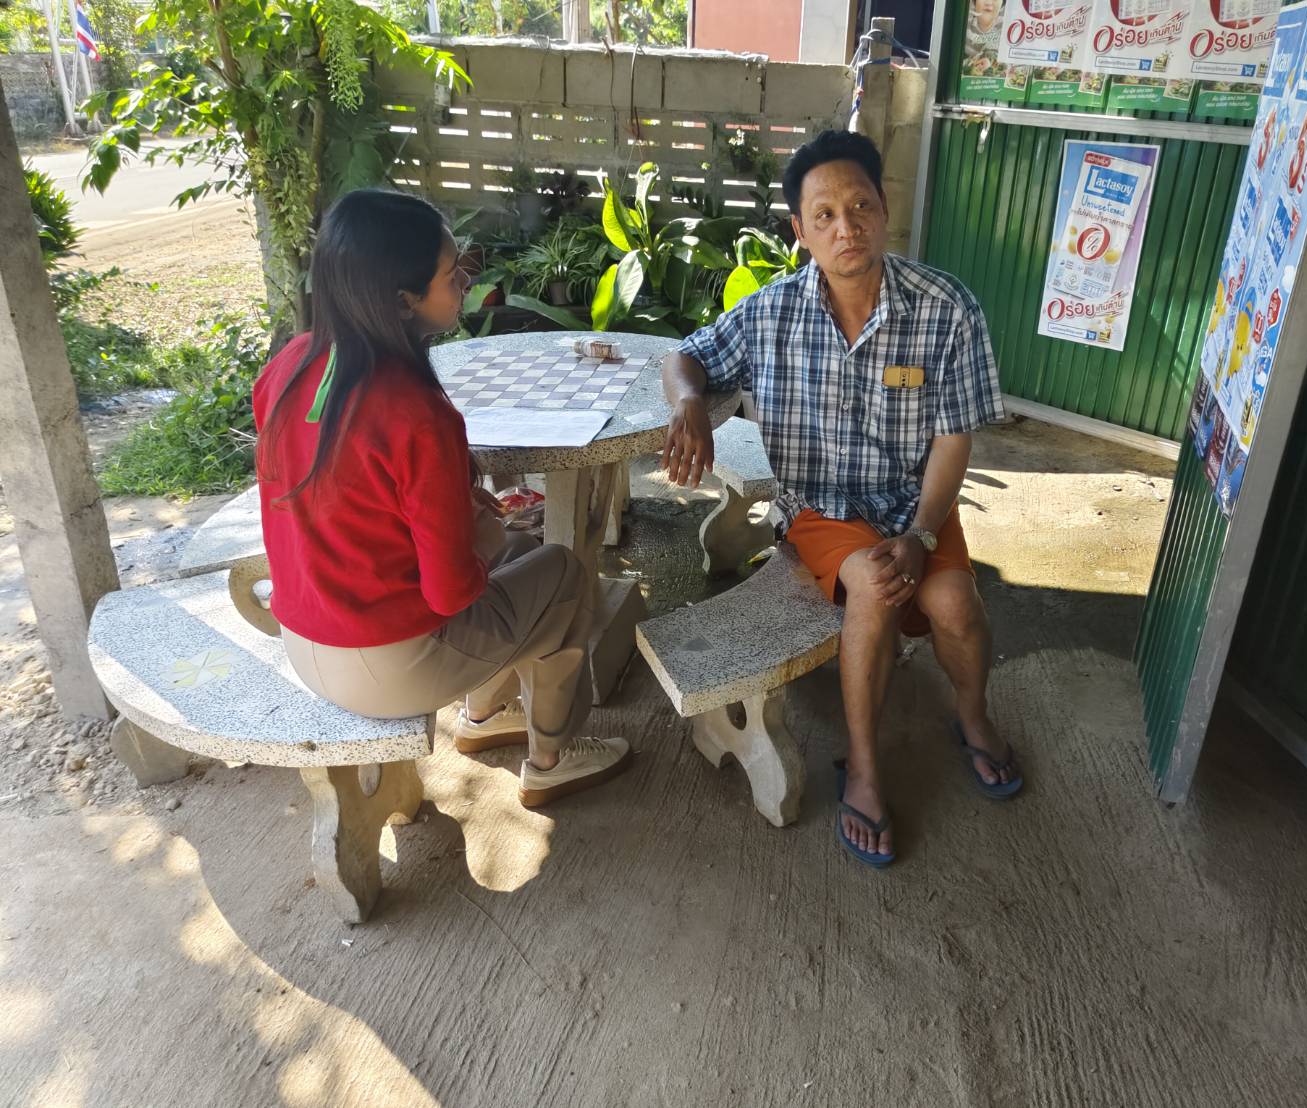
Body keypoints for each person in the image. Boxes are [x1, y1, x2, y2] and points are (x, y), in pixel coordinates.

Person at [660, 130, 1022, 867]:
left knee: (955, 603)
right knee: (873, 587)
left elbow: (953, 440)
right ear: (800, 231)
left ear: (884, 209)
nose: (845, 227)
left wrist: (923, 534)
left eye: (859, 206)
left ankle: (973, 716)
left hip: (915, 503)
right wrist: (688, 403)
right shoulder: (770, 314)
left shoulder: (947, 307)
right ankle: (862, 765)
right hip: (821, 508)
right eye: (823, 215)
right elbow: (684, 357)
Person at [254, 189, 630, 808]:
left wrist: (464, 521)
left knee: (515, 552)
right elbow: (451, 593)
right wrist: (468, 526)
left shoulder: (290, 365)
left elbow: (345, 502)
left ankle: (485, 715)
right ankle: (551, 759)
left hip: (304, 638)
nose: (465, 283)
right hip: (392, 665)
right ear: (402, 300)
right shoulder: (416, 414)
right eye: (452, 273)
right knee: (563, 573)